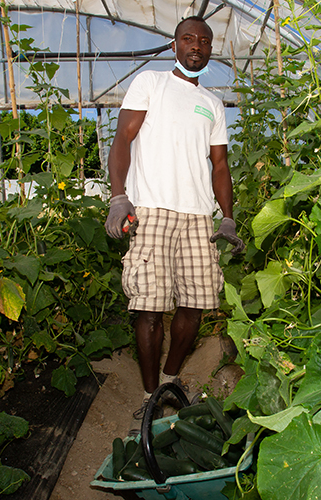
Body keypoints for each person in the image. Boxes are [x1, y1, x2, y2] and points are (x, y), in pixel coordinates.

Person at [104, 16, 245, 428]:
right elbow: (122, 140)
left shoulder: (214, 104)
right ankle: (150, 397)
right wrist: (118, 197)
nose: (196, 46)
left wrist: (229, 218)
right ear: (174, 46)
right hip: (152, 210)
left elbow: (220, 166)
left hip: (199, 216)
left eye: (204, 40)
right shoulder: (151, 84)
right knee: (148, 307)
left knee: (196, 304)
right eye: (188, 39)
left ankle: (170, 380)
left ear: (210, 48)